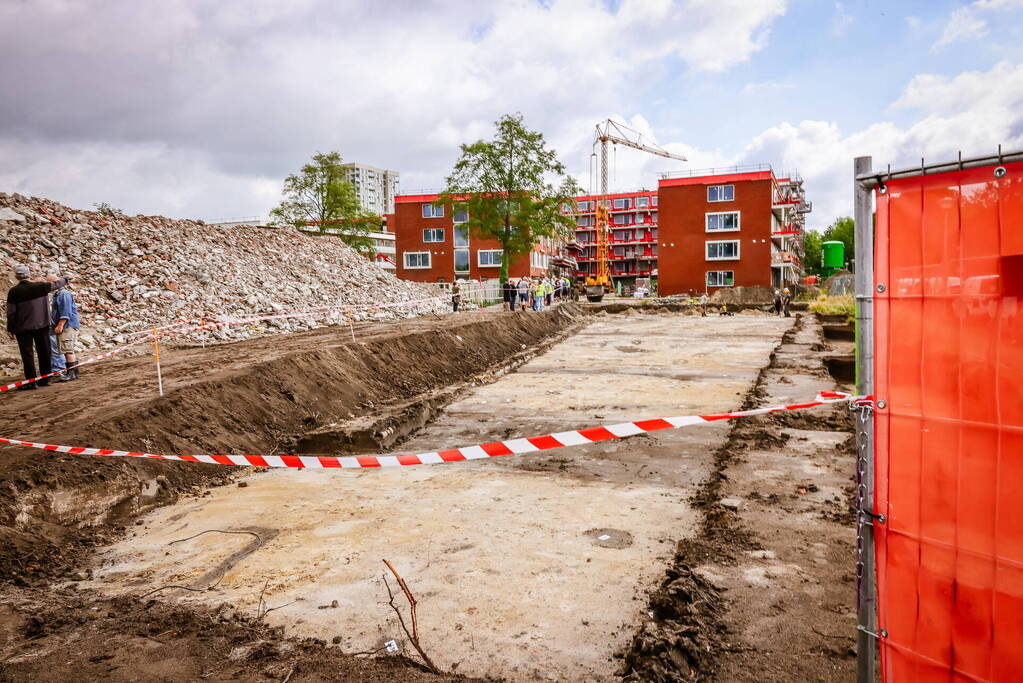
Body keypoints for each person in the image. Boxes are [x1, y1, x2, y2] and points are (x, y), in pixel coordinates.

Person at [6, 265, 70, 390]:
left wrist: (10, 328)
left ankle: (31, 382)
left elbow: (11, 312)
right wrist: (66, 278)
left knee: (27, 355)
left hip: (23, 328)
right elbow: (57, 283)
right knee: (45, 351)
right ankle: (46, 379)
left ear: (16, 277)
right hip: (42, 326)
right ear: (29, 274)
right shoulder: (41, 287)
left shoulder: (13, 291)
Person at [49, 273, 80, 381]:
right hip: (67, 325)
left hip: (67, 326)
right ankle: (72, 373)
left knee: (68, 350)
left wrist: (60, 325)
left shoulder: (63, 294)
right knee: (67, 349)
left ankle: (71, 374)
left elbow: (66, 311)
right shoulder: (59, 294)